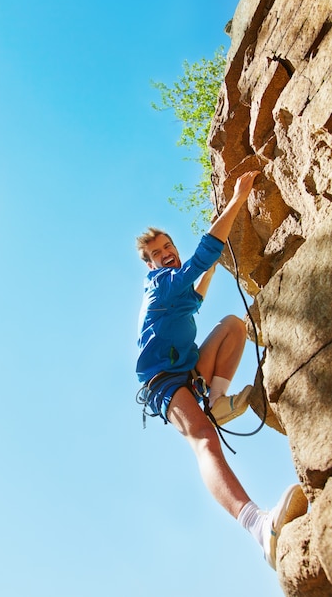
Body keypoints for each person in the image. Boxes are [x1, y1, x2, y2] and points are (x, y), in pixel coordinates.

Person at [135, 170, 308, 570]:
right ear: (151, 266)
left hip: (189, 371)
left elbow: (196, 296)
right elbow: (201, 259)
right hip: (163, 381)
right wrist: (235, 201)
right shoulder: (162, 284)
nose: (166, 253)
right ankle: (258, 527)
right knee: (204, 441)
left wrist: (209, 266)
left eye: (168, 246)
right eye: (158, 253)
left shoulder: (178, 291)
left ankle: (216, 400)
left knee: (233, 325)